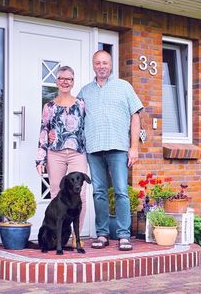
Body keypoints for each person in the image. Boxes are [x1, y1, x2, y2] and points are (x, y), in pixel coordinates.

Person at [78, 50, 143, 251]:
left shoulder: (124, 87)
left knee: (121, 191)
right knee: (98, 192)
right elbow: (77, 120)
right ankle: (103, 234)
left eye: (105, 63)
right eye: (98, 63)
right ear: (93, 65)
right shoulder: (84, 91)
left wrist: (134, 147)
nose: (101, 66)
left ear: (111, 65)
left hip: (118, 148)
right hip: (94, 148)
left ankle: (124, 235)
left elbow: (135, 117)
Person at [36, 66, 88, 245]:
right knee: (57, 194)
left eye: (69, 79)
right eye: (62, 78)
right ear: (56, 81)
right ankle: (57, 238)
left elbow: (87, 128)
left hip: (77, 153)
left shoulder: (81, 104)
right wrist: (40, 158)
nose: (65, 81)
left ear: (73, 82)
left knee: (80, 195)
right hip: (55, 153)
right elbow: (44, 131)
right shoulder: (49, 106)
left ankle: (76, 238)